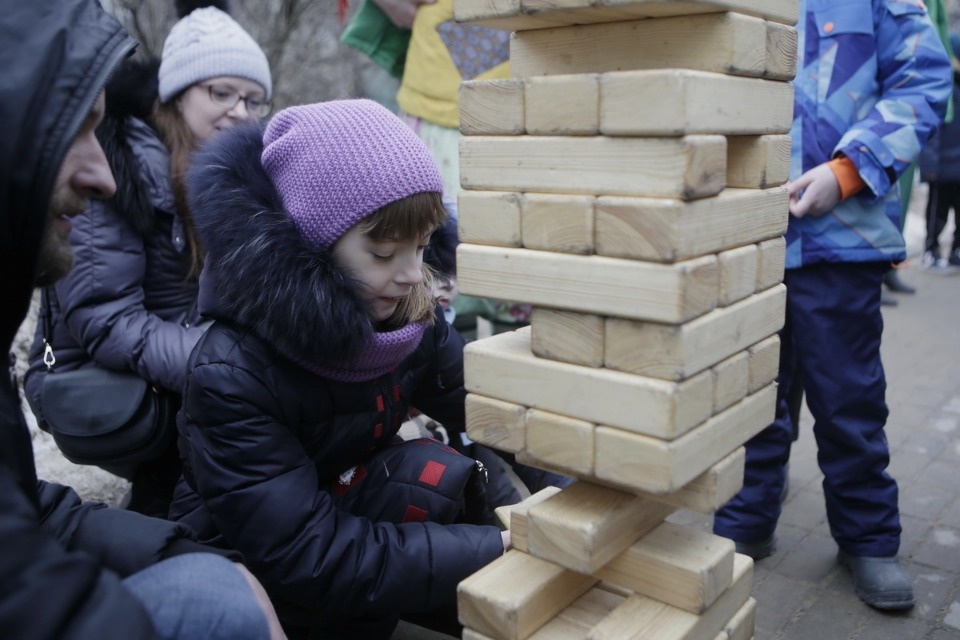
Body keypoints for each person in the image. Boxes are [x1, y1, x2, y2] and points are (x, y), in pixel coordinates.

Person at [167, 99, 507, 639]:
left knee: (436, 474)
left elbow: (490, 406)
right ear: (314, 242)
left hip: (346, 503)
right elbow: (307, 552)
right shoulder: (232, 373)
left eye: (420, 248)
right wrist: (504, 549)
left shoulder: (405, 313)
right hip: (252, 562)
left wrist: (553, 494)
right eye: (384, 253)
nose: (413, 275)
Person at [0, 0, 285, 637]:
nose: (240, 111)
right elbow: (103, 318)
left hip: (170, 362)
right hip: (98, 375)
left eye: (253, 98)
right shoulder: (124, 169)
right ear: (178, 94)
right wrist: (217, 363)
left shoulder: (227, 176)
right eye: (222, 92)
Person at [713, 0, 952, 612]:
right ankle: (748, 518)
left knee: (848, 400)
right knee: (754, 393)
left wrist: (848, 171)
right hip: (746, 233)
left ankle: (869, 539)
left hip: (842, 238)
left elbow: (925, 76)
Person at [920, 33, 960, 269]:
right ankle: (931, 250)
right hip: (943, 166)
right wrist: (929, 165)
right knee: (937, 212)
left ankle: (956, 250)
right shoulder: (943, 86)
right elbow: (932, 128)